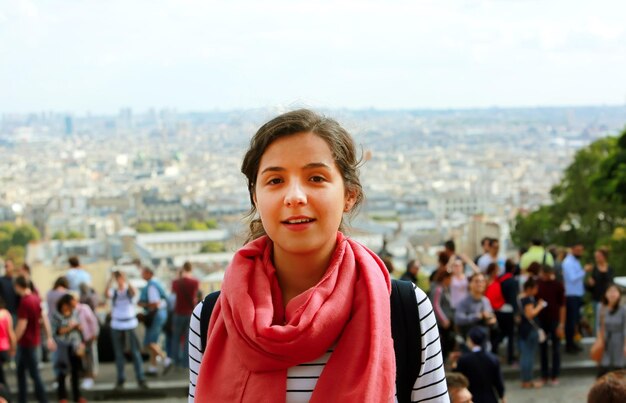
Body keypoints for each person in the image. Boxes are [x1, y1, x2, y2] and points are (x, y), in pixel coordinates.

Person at [188, 109, 448, 402]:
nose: (295, 196)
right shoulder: (210, 318)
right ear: (255, 198)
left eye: (315, 177)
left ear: (349, 195)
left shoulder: (403, 309)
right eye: (275, 181)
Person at [14, 275, 56, 403]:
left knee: (32, 374)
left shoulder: (25, 301)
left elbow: (22, 324)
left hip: (26, 343)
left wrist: (13, 341)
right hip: (34, 341)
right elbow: (44, 319)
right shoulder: (36, 298)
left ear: (17, 286)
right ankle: (24, 399)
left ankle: (42, 399)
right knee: (25, 372)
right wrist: (49, 337)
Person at [106, 271, 147, 391]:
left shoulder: (128, 290)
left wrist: (126, 280)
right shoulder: (114, 291)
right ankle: (120, 379)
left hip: (130, 323)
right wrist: (110, 280)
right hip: (117, 323)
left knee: (135, 352)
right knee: (119, 354)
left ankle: (140, 378)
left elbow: (133, 292)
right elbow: (106, 293)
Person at [453, 327, 505, 403]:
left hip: (471, 398)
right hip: (490, 398)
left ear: (471, 340)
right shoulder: (493, 358)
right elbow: (498, 381)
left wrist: (453, 366)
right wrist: (501, 395)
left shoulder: (464, 359)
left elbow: (458, 379)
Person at [51, 293, 87, 403]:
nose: (72, 308)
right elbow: (56, 332)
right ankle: (62, 397)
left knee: (76, 372)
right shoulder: (56, 315)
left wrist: (79, 328)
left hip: (75, 345)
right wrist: (70, 327)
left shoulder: (75, 313)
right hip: (62, 346)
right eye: (70, 305)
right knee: (62, 371)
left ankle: (77, 396)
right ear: (64, 304)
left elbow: (81, 327)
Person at [138, 267, 171, 376]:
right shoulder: (156, 283)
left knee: (149, 342)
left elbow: (155, 303)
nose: (142, 275)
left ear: (148, 273)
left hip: (156, 315)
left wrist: (142, 304)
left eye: (143, 272)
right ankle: (153, 367)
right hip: (160, 314)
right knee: (154, 341)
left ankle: (165, 359)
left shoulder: (151, 286)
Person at [536, 264, 565, 385]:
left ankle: (555, 375)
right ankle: (544, 375)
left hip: (554, 320)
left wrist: (561, 324)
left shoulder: (558, 285)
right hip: (541, 320)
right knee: (542, 348)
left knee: (556, 349)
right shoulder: (538, 284)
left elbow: (563, 306)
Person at [563, 244, 592, 353]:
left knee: (575, 320)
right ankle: (569, 344)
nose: (580, 253)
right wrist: (584, 271)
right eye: (578, 250)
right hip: (571, 295)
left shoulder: (575, 261)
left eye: (581, 250)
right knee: (571, 321)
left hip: (577, 294)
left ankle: (572, 343)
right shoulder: (568, 262)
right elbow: (572, 278)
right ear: (573, 249)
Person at [518, 277, 547, 388]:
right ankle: (528, 380)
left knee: (525, 355)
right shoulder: (528, 299)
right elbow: (530, 314)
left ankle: (526, 380)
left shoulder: (520, 298)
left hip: (523, 330)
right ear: (530, 288)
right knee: (528, 356)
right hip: (529, 330)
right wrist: (540, 306)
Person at [171, 261, 199, 370]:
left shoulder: (176, 282)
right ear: (191, 269)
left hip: (178, 312)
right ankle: (185, 363)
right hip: (189, 313)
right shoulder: (195, 282)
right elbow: (194, 298)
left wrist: (179, 275)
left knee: (176, 338)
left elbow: (173, 293)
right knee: (188, 339)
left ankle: (175, 362)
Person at [454, 273, 496, 342]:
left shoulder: (486, 301)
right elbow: (458, 319)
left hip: (485, 343)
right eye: (476, 281)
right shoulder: (464, 302)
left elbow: (491, 317)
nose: (480, 284)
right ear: (470, 284)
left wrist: (492, 320)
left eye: (482, 281)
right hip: (469, 344)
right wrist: (477, 316)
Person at [597, 284, 626, 377]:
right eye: (610, 291)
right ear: (605, 294)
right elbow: (598, 325)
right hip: (604, 339)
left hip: (619, 339)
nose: (612, 294)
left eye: (615, 291)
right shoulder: (601, 307)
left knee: (619, 366)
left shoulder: (623, 309)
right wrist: (599, 340)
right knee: (604, 366)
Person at [587, 248, 614, 335]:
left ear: (604, 256)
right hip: (597, 298)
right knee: (598, 319)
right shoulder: (594, 269)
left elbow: (612, 284)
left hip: (608, 298)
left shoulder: (610, 268)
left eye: (598, 256)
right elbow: (589, 286)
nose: (597, 258)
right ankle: (598, 338)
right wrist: (590, 283)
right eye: (596, 257)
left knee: (610, 318)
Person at [74, 295, 99, 390]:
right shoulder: (72, 310)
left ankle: (90, 376)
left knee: (90, 357)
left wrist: (94, 334)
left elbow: (93, 321)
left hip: (88, 336)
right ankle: (85, 375)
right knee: (82, 357)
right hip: (79, 339)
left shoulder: (84, 308)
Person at [498, 259, 519, 365]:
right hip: (509, 311)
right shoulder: (512, 281)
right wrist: (516, 313)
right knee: (511, 336)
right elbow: (513, 299)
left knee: (501, 334)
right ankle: (510, 358)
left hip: (499, 309)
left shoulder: (501, 279)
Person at [432, 269, 455, 361]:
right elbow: (436, 305)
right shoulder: (438, 289)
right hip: (441, 324)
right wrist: (443, 319)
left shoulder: (446, 289)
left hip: (447, 323)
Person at [0, 297, 16, 394]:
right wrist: (13, 348)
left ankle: (6, 397)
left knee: (1, 378)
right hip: (5, 348)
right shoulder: (6, 313)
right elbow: (11, 333)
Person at [0, 259, 19, 323]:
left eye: (8, 266)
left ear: (13, 266)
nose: (7, 268)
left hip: (14, 313)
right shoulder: (1, 280)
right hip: (3, 314)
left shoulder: (16, 281)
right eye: (5, 266)